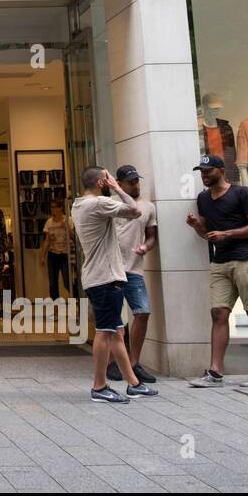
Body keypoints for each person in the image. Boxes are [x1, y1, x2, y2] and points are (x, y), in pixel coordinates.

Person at [72, 166, 159, 404]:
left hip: (98, 276)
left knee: (117, 332)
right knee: (106, 331)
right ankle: (99, 386)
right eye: (107, 179)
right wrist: (118, 187)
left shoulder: (79, 204)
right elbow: (135, 210)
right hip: (105, 278)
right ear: (102, 183)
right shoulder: (97, 203)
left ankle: (134, 383)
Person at [184, 154, 248, 387]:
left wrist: (227, 234)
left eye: (208, 171)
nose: (204, 175)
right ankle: (215, 372)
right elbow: (206, 235)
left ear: (221, 171)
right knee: (218, 315)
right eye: (201, 171)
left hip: (245, 260)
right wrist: (197, 226)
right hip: (220, 262)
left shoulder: (240, 193)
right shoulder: (203, 199)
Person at [106, 165, 158, 385]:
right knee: (112, 319)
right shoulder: (111, 204)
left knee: (143, 312)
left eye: (137, 180)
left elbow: (152, 236)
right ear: (120, 183)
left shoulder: (148, 207)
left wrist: (146, 247)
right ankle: (112, 363)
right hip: (112, 269)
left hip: (134, 268)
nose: (136, 184)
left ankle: (134, 362)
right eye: (131, 181)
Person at [41, 200, 73, 300]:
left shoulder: (68, 220)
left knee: (67, 282)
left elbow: (73, 237)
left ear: (61, 208)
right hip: (52, 255)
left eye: (55, 207)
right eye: (51, 207)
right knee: (52, 283)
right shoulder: (49, 222)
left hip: (64, 254)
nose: (53, 209)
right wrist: (43, 256)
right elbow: (47, 240)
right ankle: (55, 307)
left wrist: (66, 227)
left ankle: (77, 299)